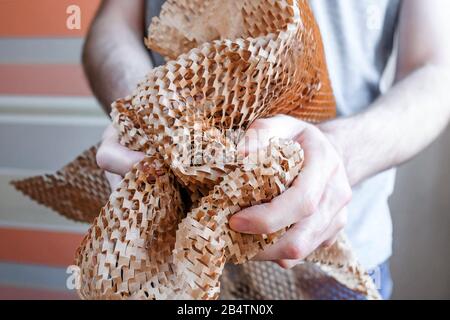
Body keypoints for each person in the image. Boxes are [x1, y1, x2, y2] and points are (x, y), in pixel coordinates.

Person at [83, 0, 450, 299]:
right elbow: (114, 21)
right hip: (161, 249)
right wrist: (148, 109)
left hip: (336, 259)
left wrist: (337, 150)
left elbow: (434, 68)